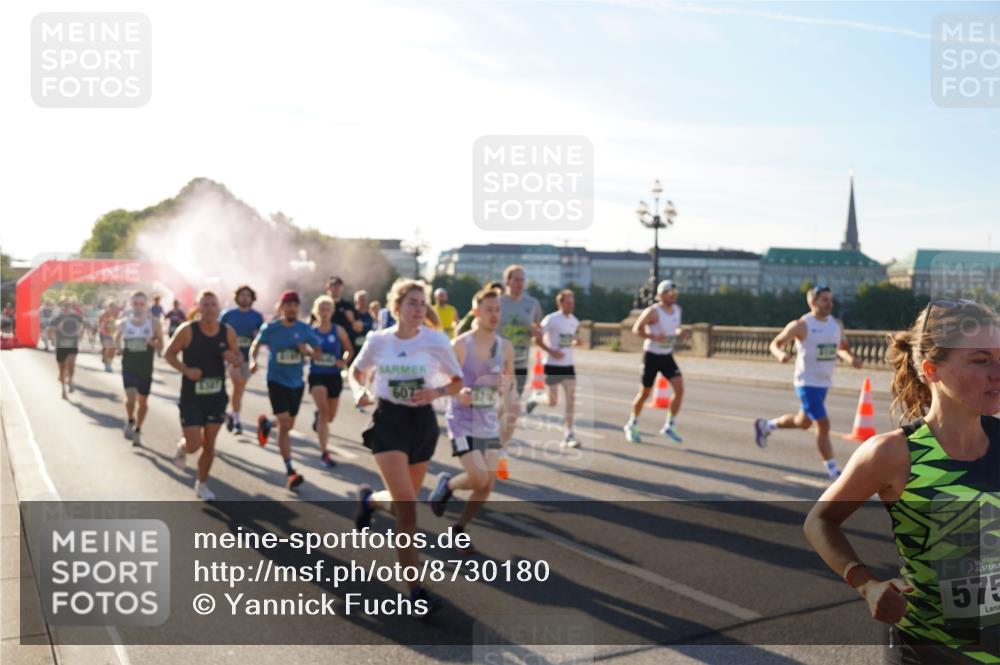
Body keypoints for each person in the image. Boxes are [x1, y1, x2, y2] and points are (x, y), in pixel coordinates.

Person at [804, 300, 1000, 664]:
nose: (998, 371)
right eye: (981, 360)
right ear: (932, 369)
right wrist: (865, 583)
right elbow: (819, 521)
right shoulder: (893, 454)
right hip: (927, 650)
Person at [349, 279, 463, 612]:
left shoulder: (436, 341)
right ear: (396, 307)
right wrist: (359, 393)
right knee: (409, 509)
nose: (418, 309)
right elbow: (355, 372)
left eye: (421, 303)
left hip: (422, 424)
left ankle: (369, 500)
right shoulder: (378, 340)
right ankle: (414, 589)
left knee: (403, 506)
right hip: (389, 422)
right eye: (411, 303)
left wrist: (436, 393)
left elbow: (457, 382)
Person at [428, 287, 514, 553]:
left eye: (497, 309)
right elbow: (442, 379)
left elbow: (508, 386)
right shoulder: (461, 345)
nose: (494, 314)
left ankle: (459, 529)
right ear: (476, 312)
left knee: (487, 484)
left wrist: (505, 393)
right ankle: (448, 485)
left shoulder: (505, 347)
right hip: (463, 419)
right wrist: (459, 391)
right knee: (477, 478)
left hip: (488, 419)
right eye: (488, 309)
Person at [753, 285, 864, 479]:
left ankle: (766, 425)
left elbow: (841, 348)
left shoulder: (836, 324)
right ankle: (833, 471)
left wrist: (851, 360)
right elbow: (775, 344)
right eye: (824, 300)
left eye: (831, 300)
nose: (829, 304)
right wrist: (780, 354)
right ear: (812, 302)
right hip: (806, 382)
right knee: (823, 424)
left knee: (802, 422)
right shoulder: (801, 325)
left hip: (824, 383)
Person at [165, 290, 241, 501]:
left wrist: (233, 358)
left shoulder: (227, 331)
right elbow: (168, 354)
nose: (209, 309)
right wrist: (186, 371)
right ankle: (182, 447)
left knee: (209, 444)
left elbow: (238, 358)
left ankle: (202, 484)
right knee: (193, 445)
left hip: (216, 396)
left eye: (213, 305)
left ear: (219, 308)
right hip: (192, 397)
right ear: (198, 308)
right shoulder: (187, 330)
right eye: (205, 305)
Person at [249, 290, 321, 490]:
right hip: (276, 381)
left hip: (296, 383)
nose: (291, 308)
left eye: (295, 305)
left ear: (298, 308)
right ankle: (290, 471)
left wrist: (306, 352)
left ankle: (266, 424)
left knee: (287, 424)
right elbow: (256, 345)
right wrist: (253, 361)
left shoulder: (304, 329)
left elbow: (317, 353)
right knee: (284, 424)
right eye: (288, 305)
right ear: (281, 308)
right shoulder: (271, 328)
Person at [624, 280, 688, 444]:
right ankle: (632, 424)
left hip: (667, 356)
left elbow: (676, 326)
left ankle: (669, 425)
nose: (672, 296)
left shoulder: (677, 310)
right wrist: (653, 336)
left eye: (674, 293)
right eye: (669, 293)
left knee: (679, 390)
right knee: (645, 393)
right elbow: (636, 329)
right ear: (660, 295)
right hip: (651, 355)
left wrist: (680, 332)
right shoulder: (653, 312)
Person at [498, 266, 542, 469]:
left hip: (521, 364)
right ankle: (495, 444)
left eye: (522, 280)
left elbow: (538, 329)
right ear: (507, 281)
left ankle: (500, 447)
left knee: (510, 408)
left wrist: (536, 332)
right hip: (497, 364)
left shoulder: (532, 304)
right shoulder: (497, 303)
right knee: (505, 407)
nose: (520, 283)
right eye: (516, 279)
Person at [526, 289, 582, 448]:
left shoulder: (575, 321)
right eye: (568, 302)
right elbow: (537, 338)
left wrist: (577, 341)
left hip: (568, 365)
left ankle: (568, 434)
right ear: (560, 303)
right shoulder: (551, 319)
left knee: (571, 400)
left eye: (573, 302)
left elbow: (571, 338)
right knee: (552, 402)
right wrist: (551, 351)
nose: (571, 305)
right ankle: (536, 397)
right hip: (552, 365)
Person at [308, 295, 353, 468]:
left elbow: (349, 350)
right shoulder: (311, 331)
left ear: (332, 311)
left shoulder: (338, 330)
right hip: (317, 374)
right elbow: (302, 348)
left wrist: (344, 361)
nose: (325, 312)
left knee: (330, 417)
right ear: (316, 311)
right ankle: (324, 452)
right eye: (321, 309)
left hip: (334, 375)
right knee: (324, 412)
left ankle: (318, 416)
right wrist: (311, 353)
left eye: (328, 309)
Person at [115, 291, 164, 446]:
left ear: (146, 305)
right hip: (129, 365)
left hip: (145, 367)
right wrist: (119, 349)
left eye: (141, 304)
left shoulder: (154, 323)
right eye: (135, 303)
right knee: (130, 398)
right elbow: (116, 338)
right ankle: (130, 419)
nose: (138, 306)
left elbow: (161, 345)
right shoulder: (124, 322)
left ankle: (138, 428)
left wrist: (152, 343)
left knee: (142, 402)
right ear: (131, 304)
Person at [220, 285, 264, 435]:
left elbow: (260, 338)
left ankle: (232, 413)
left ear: (252, 299)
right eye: (242, 295)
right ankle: (237, 421)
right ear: (237, 297)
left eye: (248, 295)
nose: (244, 298)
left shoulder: (257, 317)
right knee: (237, 382)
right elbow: (218, 332)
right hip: (232, 357)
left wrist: (257, 335)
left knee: (239, 389)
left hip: (248, 358)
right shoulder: (228, 315)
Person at [48, 299, 84, 399]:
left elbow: (82, 325)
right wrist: (53, 334)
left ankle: (71, 381)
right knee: (62, 368)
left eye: (69, 305)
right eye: (65, 305)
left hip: (72, 343)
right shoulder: (57, 317)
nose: (67, 307)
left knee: (71, 363)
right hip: (61, 345)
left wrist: (80, 333)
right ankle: (63, 389)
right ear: (61, 306)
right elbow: (50, 329)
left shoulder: (75, 316)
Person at [98, 301, 119, 372]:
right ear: (108, 307)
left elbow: (118, 322)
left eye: (114, 307)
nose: (112, 308)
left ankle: (109, 361)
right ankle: (107, 365)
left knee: (113, 349)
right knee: (108, 348)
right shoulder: (103, 314)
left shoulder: (116, 314)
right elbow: (99, 322)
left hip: (113, 334)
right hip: (104, 333)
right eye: (111, 307)